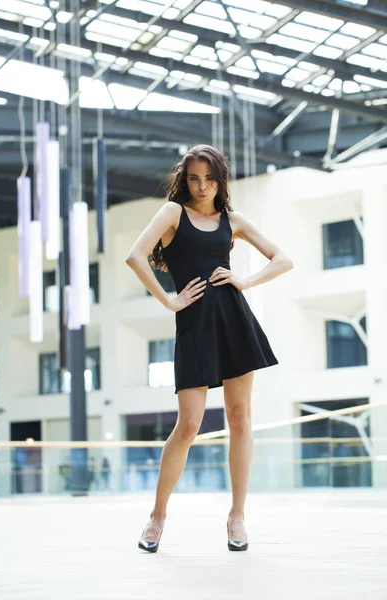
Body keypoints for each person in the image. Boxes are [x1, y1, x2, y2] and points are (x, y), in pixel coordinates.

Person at [125, 144, 293, 553]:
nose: (202, 187)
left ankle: (237, 515)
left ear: (221, 179)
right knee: (188, 426)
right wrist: (170, 301)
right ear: (185, 179)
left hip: (234, 321)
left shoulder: (231, 220)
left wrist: (245, 281)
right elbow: (135, 256)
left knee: (240, 419)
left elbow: (282, 259)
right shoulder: (172, 214)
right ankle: (157, 516)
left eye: (210, 178)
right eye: (195, 178)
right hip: (195, 325)